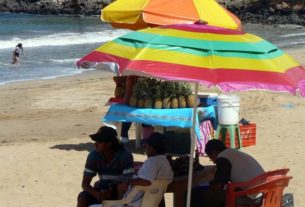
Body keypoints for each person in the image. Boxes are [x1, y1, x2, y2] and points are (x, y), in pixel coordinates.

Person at [191, 139, 265, 207]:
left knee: (210, 195)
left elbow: (218, 186)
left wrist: (211, 184)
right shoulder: (233, 152)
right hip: (264, 192)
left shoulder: (223, 158)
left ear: (214, 153)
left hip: (253, 198)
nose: (213, 162)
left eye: (211, 158)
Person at [77, 126, 135, 207]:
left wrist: (112, 190)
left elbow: (127, 184)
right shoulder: (94, 155)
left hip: (119, 192)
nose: (95, 144)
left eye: (99, 142)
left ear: (109, 143)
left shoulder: (125, 156)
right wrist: (97, 194)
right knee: (83, 197)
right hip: (101, 190)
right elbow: (85, 184)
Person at [117, 132, 173, 207]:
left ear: (152, 148)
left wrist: (128, 182)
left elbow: (146, 181)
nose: (145, 149)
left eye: (146, 146)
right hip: (149, 201)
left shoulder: (152, 161)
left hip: (136, 203)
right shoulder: (165, 162)